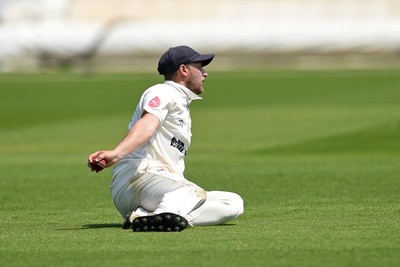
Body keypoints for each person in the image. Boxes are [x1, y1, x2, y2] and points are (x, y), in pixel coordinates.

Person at [87, 45, 244, 232]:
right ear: (183, 70)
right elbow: (147, 125)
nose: (205, 73)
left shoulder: (180, 101)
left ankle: (144, 216)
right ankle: (162, 213)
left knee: (233, 203)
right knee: (187, 192)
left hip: (157, 190)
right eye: (200, 67)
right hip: (138, 179)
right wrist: (116, 154)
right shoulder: (163, 92)